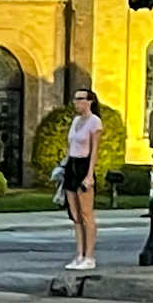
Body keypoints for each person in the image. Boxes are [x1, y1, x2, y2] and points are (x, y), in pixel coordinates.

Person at [60, 87, 103, 276]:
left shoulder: (95, 122)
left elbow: (94, 151)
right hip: (72, 164)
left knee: (86, 213)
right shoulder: (76, 121)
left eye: (80, 99)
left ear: (89, 101)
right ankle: (79, 253)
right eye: (75, 99)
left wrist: (89, 175)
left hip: (84, 165)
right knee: (75, 215)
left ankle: (89, 256)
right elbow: (71, 146)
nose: (76, 102)